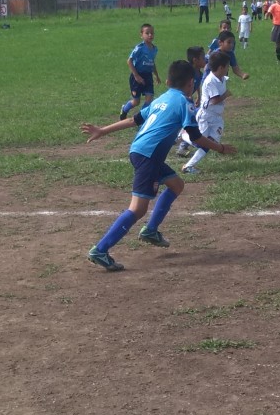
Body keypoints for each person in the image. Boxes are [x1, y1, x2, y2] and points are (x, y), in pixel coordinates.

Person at [81, 59, 237, 272]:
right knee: (137, 209)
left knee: (176, 185)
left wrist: (103, 130)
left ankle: (151, 230)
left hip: (139, 150)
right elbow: (196, 137)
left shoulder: (161, 99)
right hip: (149, 156)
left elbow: (133, 121)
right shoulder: (185, 103)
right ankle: (100, 249)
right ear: (192, 83)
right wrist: (220, 148)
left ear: (167, 81)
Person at [181, 51, 232, 174]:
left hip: (217, 117)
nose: (228, 68)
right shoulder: (210, 81)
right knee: (200, 142)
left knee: (211, 143)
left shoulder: (222, 78)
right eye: (227, 66)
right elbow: (214, 100)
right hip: (206, 116)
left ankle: (188, 166)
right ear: (221, 68)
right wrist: (226, 95)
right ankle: (182, 134)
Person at [119, 23, 160, 121]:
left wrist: (156, 75)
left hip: (148, 76)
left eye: (152, 33)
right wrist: (136, 76)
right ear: (141, 35)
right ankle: (124, 109)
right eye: (147, 33)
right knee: (136, 101)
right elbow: (129, 61)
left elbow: (152, 62)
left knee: (149, 99)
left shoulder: (154, 49)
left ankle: (141, 119)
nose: (150, 35)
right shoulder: (140, 48)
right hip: (137, 76)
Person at [175, 46, 206, 158]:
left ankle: (181, 142)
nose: (205, 59)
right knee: (190, 121)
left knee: (191, 120)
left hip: (188, 100)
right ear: (195, 60)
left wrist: (198, 95)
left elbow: (196, 84)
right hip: (181, 101)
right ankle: (181, 143)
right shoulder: (188, 72)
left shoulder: (200, 73)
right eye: (203, 57)